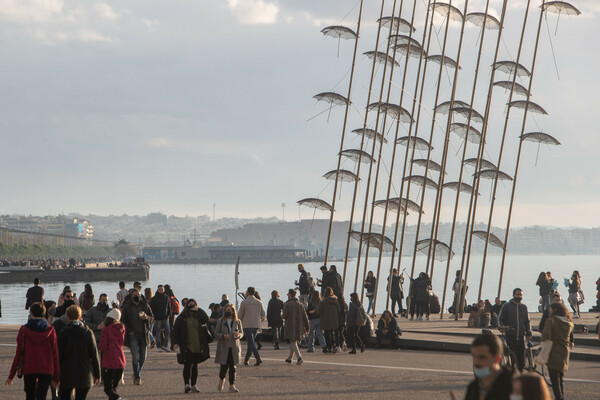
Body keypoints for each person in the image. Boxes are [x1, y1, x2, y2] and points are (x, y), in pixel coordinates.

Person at [6, 302, 60, 400]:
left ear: (31, 313)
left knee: (30, 395)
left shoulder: (23, 330)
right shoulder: (51, 330)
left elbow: (18, 354)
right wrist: (57, 377)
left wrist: (11, 375)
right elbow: (55, 354)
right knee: (42, 396)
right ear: (44, 313)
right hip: (46, 368)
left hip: (29, 368)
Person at [57, 305, 101, 400]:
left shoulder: (63, 333)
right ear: (80, 317)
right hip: (84, 373)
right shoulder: (88, 333)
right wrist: (98, 374)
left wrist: (56, 374)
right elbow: (94, 354)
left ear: (67, 317)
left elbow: (59, 355)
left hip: (67, 373)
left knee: (64, 396)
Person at [172, 298, 210, 394]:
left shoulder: (199, 316)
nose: (191, 307)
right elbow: (175, 331)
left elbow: (206, 319)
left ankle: (193, 385)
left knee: (195, 365)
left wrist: (199, 309)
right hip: (186, 345)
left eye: (193, 305)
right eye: (190, 305)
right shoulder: (182, 318)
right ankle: (186, 385)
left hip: (198, 344)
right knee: (188, 364)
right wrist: (175, 343)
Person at [464, 332, 513, 400]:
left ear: (497, 359)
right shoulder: (473, 388)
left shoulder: (513, 386)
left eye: (482, 357)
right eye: (474, 357)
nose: (476, 362)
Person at [120, 288, 153, 385]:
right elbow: (123, 320)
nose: (137, 296)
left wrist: (146, 317)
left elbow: (152, 317)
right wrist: (129, 331)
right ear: (131, 296)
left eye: (138, 294)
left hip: (143, 334)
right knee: (135, 357)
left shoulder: (145, 305)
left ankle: (136, 372)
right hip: (133, 334)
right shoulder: (127, 306)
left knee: (143, 357)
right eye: (135, 295)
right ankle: (137, 377)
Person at [542, 302, 573, 400]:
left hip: (553, 352)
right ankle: (561, 395)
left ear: (554, 310)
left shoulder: (551, 321)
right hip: (564, 351)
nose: (549, 311)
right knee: (560, 376)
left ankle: (559, 397)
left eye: (550, 309)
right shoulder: (568, 322)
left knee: (554, 378)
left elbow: (546, 336)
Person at [498, 288, 532, 372]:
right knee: (514, 357)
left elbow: (527, 322)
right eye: (517, 294)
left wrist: (529, 332)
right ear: (513, 295)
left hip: (521, 336)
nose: (519, 296)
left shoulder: (524, 307)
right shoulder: (507, 306)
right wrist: (501, 327)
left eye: (520, 295)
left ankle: (519, 376)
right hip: (511, 335)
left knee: (522, 360)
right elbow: (500, 318)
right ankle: (512, 376)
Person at [214, 303, 243, 393]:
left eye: (229, 310)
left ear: (233, 311)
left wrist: (238, 335)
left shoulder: (238, 321)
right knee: (224, 366)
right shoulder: (221, 321)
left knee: (233, 367)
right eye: (226, 310)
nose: (228, 312)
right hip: (224, 346)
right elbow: (215, 334)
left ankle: (232, 385)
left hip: (234, 347)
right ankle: (221, 379)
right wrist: (222, 335)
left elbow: (242, 333)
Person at [98, 308, 126, 400]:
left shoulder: (106, 330)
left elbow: (103, 346)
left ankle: (118, 398)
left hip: (110, 361)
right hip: (120, 360)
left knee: (107, 388)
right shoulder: (122, 328)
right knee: (113, 388)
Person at [237, 286, 265, 366]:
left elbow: (240, 315)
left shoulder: (244, 302)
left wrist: (238, 323)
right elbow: (263, 314)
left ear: (248, 292)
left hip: (247, 324)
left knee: (250, 342)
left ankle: (258, 357)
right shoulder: (259, 302)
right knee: (251, 342)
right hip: (256, 324)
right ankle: (246, 359)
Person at [282, 289, 309, 365]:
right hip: (299, 326)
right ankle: (289, 358)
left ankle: (299, 357)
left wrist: (280, 315)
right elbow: (305, 316)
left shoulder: (287, 304)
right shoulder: (300, 304)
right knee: (293, 341)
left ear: (290, 295)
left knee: (293, 341)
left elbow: (284, 316)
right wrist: (307, 326)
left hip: (290, 325)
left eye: (288, 294)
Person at [150, 284, 172, 352]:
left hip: (165, 317)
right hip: (157, 318)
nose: (161, 290)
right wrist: (153, 317)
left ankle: (165, 345)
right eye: (160, 289)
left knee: (168, 331)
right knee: (158, 332)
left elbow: (169, 306)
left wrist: (169, 314)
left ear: (164, 290)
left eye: (162, 289)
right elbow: (152, 309)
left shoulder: (166, 297)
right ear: (157, 289)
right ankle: (159, 346)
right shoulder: (154, 298)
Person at [318, 287, 340, 354]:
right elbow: (339, 310)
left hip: (326, 320)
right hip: (334, 319)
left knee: (327, 334)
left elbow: (320, 311)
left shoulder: (323, 302)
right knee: (332, 333)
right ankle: (334, 346)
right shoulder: (335, 301)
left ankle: (329, 347)